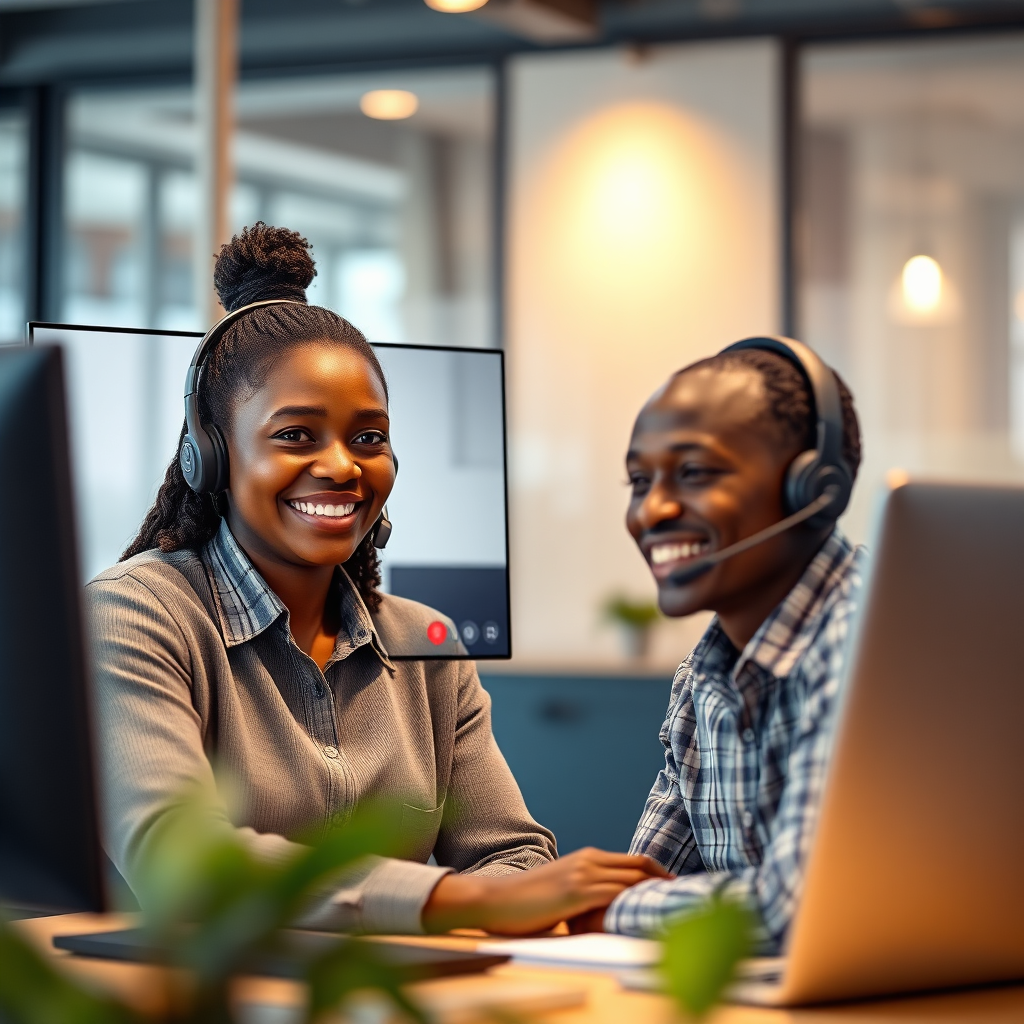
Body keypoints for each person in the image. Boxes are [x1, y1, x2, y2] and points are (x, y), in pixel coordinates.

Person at [89, 223, 668, 936]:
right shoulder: (133, 615)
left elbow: (510, 854)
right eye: (295, 435)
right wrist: (464, 902)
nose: (342, 466)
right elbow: (184, 864)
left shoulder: (424, 642)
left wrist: (512, 892)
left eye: (369, 438)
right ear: (210, 457)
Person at [586, 339, 865, 950]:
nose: (652, 510)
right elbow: (648, 880)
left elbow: (798, 908)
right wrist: (613, 902)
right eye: (639, 481)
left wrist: (612, 906)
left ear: (813, 489)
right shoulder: (702, 676)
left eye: (694, 473)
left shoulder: (866, 642)